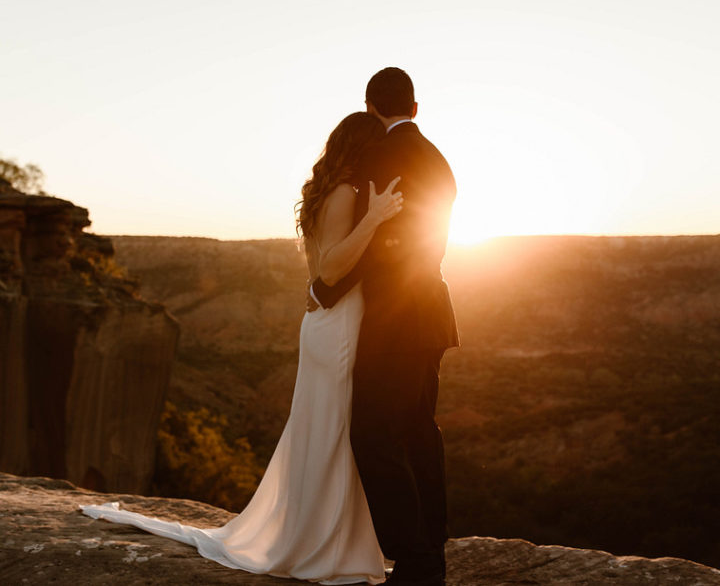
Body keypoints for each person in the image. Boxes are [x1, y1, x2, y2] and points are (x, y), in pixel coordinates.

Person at [80, 111, 404, 585]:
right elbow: (331, 269)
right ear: (362, 148)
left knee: (325, 434)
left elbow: (318, 274)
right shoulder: (345, 194)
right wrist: (374, 219)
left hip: (326, 323)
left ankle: (330, 541)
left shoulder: (330, 191)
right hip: (336, 328)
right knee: (333, 435)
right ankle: (323, 548)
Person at [310, 68, 459, 586]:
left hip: (394, 319)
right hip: (434, 312)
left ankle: (413, 559)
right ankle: (432, 551)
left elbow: (367, 249)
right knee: (420, 431)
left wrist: (322, 293)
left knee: (374, 436)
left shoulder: (373, 161)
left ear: (371, 107)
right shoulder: (439, 160)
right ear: (414, 109)